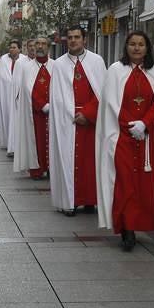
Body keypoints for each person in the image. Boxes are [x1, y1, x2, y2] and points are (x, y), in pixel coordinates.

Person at [95, 31, 154, 251]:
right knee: (125, 182)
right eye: (132, 44)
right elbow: (110, 104)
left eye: (141, 45)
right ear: (126, 47)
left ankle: (140, 223)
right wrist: (130, 125)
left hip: (148, 139)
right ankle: (127, 228)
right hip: (121, 138)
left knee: (144, 187)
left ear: (147, 48)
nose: (136, 48)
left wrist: (144, 124)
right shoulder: (115, 71)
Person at [49, 26, 106, 217]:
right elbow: (56, 96)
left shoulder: (97, 62)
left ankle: (90, 200)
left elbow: (103, 93)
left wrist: (88, 114)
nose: (73, 40)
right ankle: (69, 201)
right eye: (70, 37)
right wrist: (70, 114)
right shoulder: (58, 64)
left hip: (91, 122)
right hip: (68, 121)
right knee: (68, 160)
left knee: (90, 162)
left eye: (77, 37)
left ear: (84, 39)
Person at [13, 37, 53, 180]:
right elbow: (27, 89)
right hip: (35, 114)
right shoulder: (26, 67)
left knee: (53, 143)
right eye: (38, 44)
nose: (40, 46)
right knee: (37, 142)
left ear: (48, 47)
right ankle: (37, 169)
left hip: (54, 114)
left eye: (43, 44)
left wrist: (53, 105)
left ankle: (52, 169)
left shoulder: (56, 66)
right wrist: (42, 105)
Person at [0, 40, 26, 147]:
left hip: (20, 94)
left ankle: (18, 142)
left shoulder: (24, 59)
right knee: (7, 115)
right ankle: (8, 141)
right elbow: (2, 76)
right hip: (6, 93)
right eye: (10, 47)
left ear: (19, 49)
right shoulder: (4, 59)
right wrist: (10, 83)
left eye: (14, 47)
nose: (12, 49)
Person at [8, 39, 36, 156]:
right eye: (30, 46)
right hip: (23, 101)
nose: (32, 48)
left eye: (34, 46)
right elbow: (16, 83)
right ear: (26, 48)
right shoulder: (20, 62)